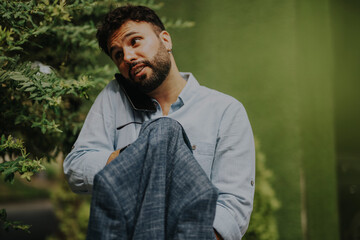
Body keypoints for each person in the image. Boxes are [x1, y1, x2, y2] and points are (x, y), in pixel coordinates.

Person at [63, 5, 255, 240]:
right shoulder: (114, 98)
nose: (128, 57)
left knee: (165, 132)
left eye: (134, 41)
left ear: (165, 40)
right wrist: (141, 155)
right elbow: (76, 167)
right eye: (118, 55)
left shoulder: (225, 111)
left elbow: (233, 206)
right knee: (161, 134)